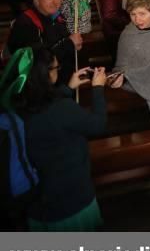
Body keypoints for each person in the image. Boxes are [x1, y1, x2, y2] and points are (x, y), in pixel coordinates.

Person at [15, 47, 108, 231]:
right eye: (55, 68)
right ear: (45, 73)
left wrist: (68, 88)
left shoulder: (19, 102)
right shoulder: (61, 108)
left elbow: (45, 106)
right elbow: (98, 125)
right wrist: (98, 88)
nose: (58, 70)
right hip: (70, 199)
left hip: (36, 199)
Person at [8, 0, 81, 85]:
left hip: (63, 78)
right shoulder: (25, 23)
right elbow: (39, 60)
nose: (55, 2)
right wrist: (69, 43)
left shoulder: (57, 16)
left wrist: (75, 45)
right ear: (36, 0)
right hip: (40, 86)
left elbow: (63, 43)